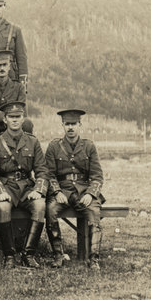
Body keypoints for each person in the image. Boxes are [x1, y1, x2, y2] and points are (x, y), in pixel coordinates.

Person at [0, 101, 49, 268]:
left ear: (23, 119)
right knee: (3, 207)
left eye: (18, 117)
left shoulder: (32, 142)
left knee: (40, 205)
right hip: (6, 186)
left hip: (27, 187)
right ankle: (9, 255)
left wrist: (39, 190)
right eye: (11, 117)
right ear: (5, 120)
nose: (14, 120)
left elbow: (42, 170)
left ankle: (29, 254)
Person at [44, 109, 105, 268]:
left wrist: (91, 194)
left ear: (80, 125)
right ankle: (58, 255)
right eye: (67, 124)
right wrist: (56, 192)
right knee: (50, 210)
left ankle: (94, 259)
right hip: (62, 192)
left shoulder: (89, 146)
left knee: (94, 212)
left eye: (74, 124)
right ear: (62, 125)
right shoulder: (54, 146)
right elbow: (48, 174)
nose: (70, 128)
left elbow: (97, 175)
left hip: (84, 191)